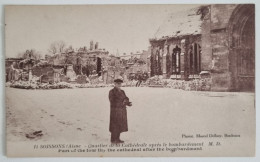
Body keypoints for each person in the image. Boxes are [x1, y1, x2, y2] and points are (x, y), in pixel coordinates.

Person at [109, 78, 132, 143]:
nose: (119, 85)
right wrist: (122, 103)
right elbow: (112, 101)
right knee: (115, 125)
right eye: (118, 84)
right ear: (115, 84)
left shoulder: (122, 91)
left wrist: (127, 102)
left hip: (122, 111)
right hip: (115, 111)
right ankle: (113, 139)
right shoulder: (112, 92)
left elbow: (126, 98)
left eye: (120, 84)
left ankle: (118, 138)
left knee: (120, 124)